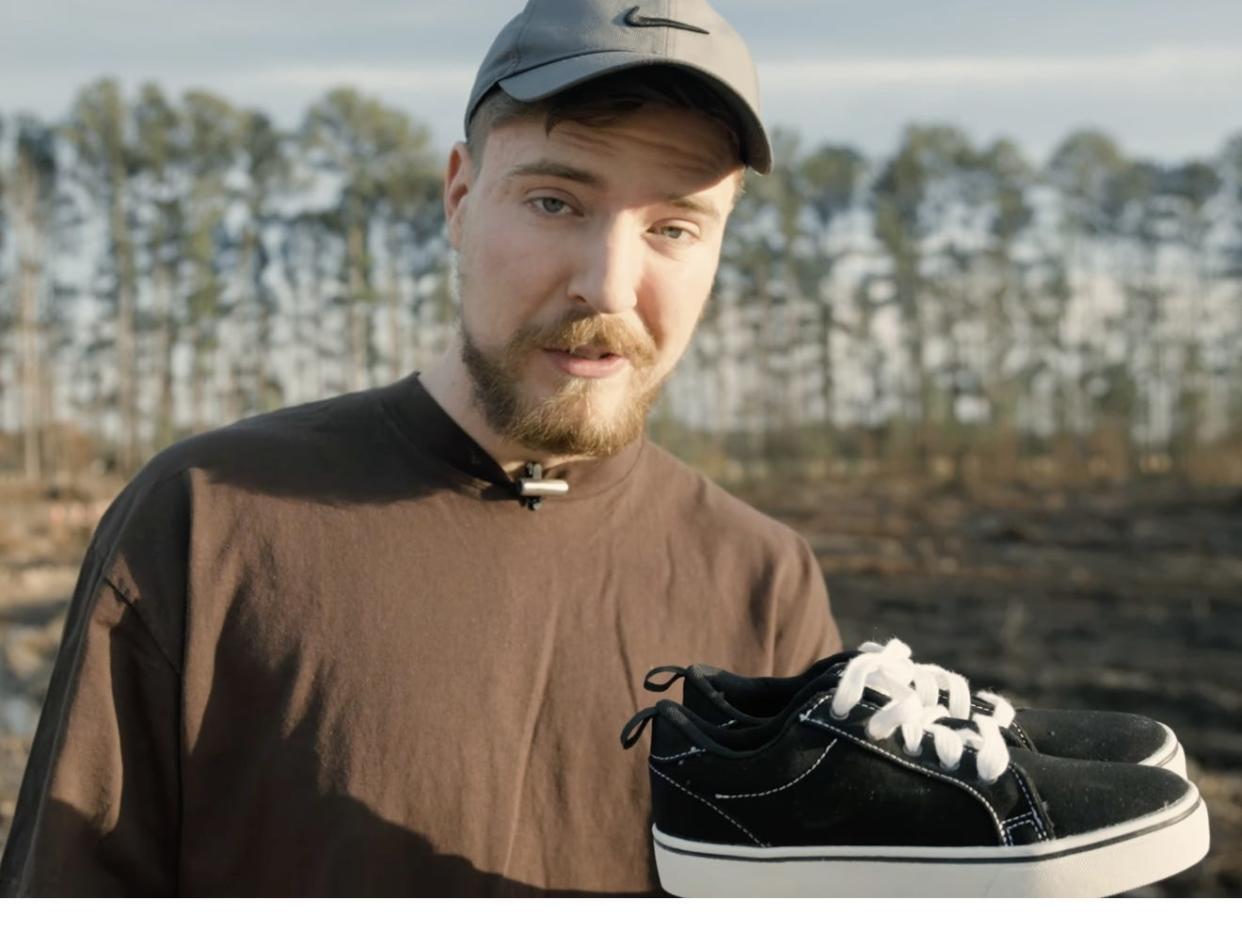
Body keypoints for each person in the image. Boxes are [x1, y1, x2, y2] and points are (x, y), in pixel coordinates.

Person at [0, 0, 839, 895]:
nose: (608, 284)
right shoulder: (210, 520)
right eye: (555, 201)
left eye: (673, 227)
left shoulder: (766, 585)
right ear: (459, 198)